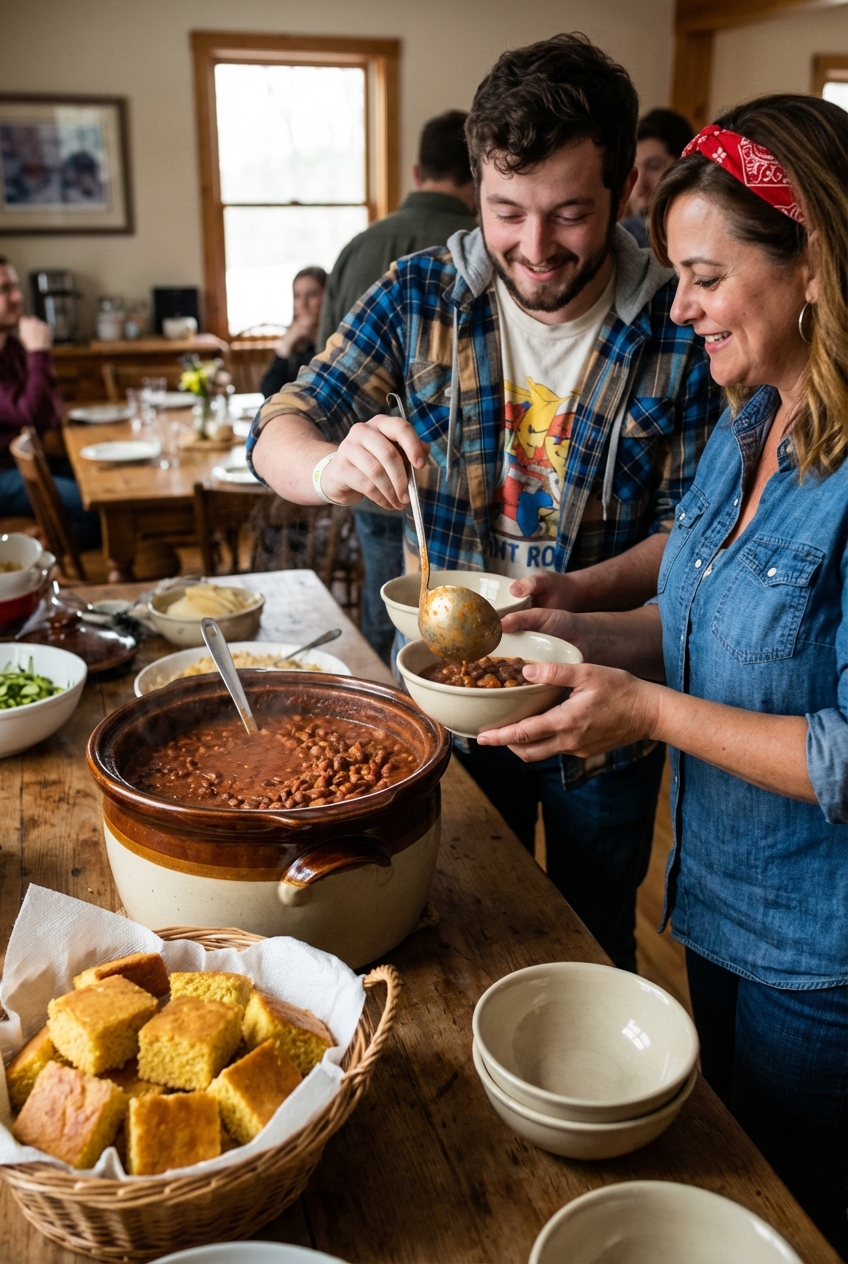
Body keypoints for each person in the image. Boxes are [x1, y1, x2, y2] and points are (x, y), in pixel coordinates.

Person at [247, 33, 723, 972]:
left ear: (628, 189)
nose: (534, 249)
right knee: (452, 925)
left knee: (592, 935)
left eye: (570, 215)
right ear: (475, 191)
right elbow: (279, 425)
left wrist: (574, 598)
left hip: (599, 705)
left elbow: (695, 537)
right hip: (443, 698)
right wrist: (330, 464)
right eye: (506, 212)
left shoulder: (680, 324)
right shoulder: (422, 292)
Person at [478, 95, 847, 1253]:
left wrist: (640, 711)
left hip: (820, 961)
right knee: (727, 1191)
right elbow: (690, 619)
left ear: (811, 272)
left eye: (701, 275)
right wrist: (570, 619)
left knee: (791, 1218)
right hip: (717, 907)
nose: (675, 304)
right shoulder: (752, 424)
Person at [317, 110, 478, 665]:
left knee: (383, 614)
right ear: (480, 178)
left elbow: (322, 370)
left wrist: (335, 463)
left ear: (416, 170)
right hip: (450, 504)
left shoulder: (359, 247)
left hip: (365, 481)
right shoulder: (466, 253)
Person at [0, 256, 99, 550]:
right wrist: (40, 352)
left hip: (33, 459)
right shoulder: (27, 347)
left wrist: (36, 354)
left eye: (16, 287)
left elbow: (50, 412)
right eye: (5, 290)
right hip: (4, 472)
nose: (18, 297)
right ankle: (36, 549)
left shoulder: (13, 346)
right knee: (92, 510)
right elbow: (32, 413)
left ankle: (42, 538)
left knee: (101, 480)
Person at [620, 108, 693, 248]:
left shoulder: (704, 236)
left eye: (654, 167)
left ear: (684, 167)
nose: (639, 184)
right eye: (633, 168)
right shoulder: (620, 241)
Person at [260, 266, 326, 398]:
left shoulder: (339, 337)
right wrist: (285, 347)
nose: (303, 303)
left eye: (312, 295)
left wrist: (317, 340)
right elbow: (269, 393)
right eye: (297, 296)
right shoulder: (295, 339)